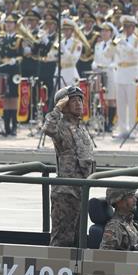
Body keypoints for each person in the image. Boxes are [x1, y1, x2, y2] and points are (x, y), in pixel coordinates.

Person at [42, 85, 95, 247]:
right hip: (66, 193)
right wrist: (57, 108)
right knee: (62, 239)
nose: (79, 103)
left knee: (78, 239)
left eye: (80, 99)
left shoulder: (80, 127)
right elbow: (48, 128)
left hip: (81, 191)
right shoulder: (61, 126)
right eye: (73, 100)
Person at [100, 187, 138, 251]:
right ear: (118, 201)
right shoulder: (114, 226)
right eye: (131, 196)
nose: (135, 200)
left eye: (134, 196)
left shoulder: (132, 224)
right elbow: (105, 255)